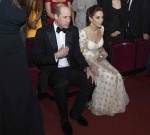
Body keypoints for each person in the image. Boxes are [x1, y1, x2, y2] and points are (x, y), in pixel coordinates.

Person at [33, 4, 95, 135]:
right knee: (62, 84)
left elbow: (77, 54)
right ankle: (64, 119)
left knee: (89, 80)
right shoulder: (42, 32)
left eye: (69, 17)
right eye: (65, 17)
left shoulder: (73, 30)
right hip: (51, 70)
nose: (68, 20)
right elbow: (37, 58)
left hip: (69, 67)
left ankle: (76, 113)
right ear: (55, 17)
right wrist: (56, 55)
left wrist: (87, 67)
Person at [0, 0, 44, 135]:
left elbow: (27, 20)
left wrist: (33, 21)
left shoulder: (25, 1)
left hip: (17, 51)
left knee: (22, 92)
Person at [79, 5, 129, 116]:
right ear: (90, 18)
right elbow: (80, 54)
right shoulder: (83, 32)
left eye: (102, 17)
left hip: (99, 58)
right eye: (98, 17)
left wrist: (103, 51)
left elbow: (99, 46)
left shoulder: (101, 28)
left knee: (117, 75)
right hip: (88, 60)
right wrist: (90, 65)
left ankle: (113, 104)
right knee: (109, 76)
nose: (101, 20)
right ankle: (100, 106)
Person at [26, 0, 43, 66]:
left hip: (37, 23)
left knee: (37, 46)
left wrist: (34, 22)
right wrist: (29, 24)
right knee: (28, 47)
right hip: (27, 23)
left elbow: (40, 10)